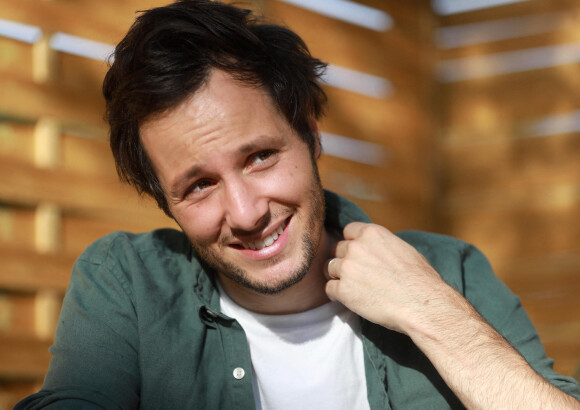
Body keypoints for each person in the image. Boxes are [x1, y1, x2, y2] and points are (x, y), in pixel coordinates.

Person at [16, 1, 580, 408]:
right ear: (164, 202)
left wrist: (430, 311)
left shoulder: (450, 271)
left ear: (310, 135)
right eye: (198, 186)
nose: (244, 212)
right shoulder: (127, 285)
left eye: (260, 156)